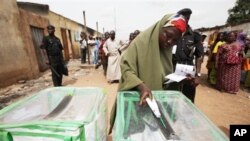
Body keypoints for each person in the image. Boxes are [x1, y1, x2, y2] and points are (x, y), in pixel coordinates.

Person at [169, 8, 202, 103]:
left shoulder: (195, 35)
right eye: (183, 17)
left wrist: (198, 75)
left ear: (188, 19)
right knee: (170, 95)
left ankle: (186, 117)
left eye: (187, 18)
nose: (185, 19)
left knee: (188, 97)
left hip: (188, 70)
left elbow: (199, 56)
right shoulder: (173, 32)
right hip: (172, 67)